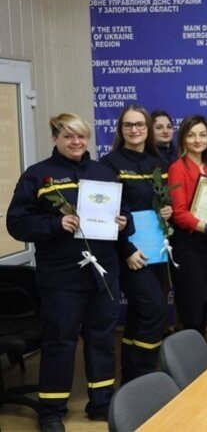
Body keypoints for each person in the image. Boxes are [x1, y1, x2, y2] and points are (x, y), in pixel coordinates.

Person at [6, 113, 130, 431]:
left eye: (81, 136)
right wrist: (55, 224)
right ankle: (51, 410)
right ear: (55, 138)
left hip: (103, 272)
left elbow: (123, 212)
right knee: (60, 341)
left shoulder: (104, 173)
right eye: (68, 136)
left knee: (102, 338)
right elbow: (16, 224)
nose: (76, 142)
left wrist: (123, 221)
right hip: (60, 277)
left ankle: (101, 403)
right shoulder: (38, 176)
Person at [100, 105, 171, 383]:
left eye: (140, 124)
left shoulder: (159, 163)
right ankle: (143, 377)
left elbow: (161, 201)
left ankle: (132, 380)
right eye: (128, 125)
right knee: (154, 310)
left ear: (148, 128)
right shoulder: (109, 164)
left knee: (142, 314)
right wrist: (127, 250)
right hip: (129, 253)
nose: (134, 129)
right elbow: (110, 214)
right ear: (120, 130)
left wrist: (166, 210)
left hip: (158, 251)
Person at [167, 115, 207, 339]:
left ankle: (201, 352)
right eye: (191, 135)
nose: (197, 140)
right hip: (187, 244)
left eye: (202, 135)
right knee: (192, 307)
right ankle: (190, 356)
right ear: (183, 138)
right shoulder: (177, 168)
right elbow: (179, 213)